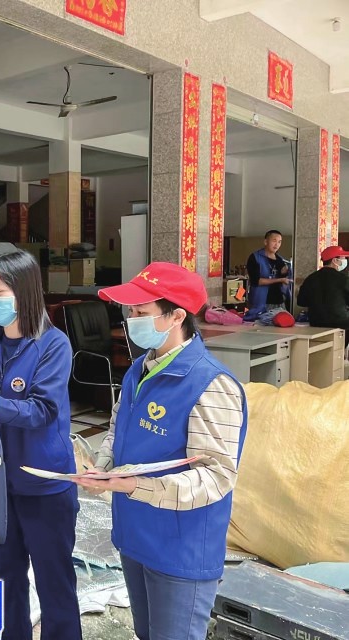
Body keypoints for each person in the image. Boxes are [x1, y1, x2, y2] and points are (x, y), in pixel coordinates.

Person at [73, 262, 248, 640]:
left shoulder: (211, 385)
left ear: (177, 317)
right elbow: (118, 429)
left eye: (141, 312)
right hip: (135, 535)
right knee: (146, 632)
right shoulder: (139, 369)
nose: (130, 321)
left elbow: (216, 478)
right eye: (130, 312)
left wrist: (135, 486)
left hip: (179, 550)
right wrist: (103, 466)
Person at [0, 251, 82, 640]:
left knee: (54, 581)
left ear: (25, 291)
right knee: (4, 576)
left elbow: (43, 410)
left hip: (44, 482)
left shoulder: (53, 345)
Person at [297, 245, 349, 348]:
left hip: (316, 322)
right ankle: (343, 352)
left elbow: (301, 301)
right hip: (340, 321)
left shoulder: (310, 278)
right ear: (334, 260)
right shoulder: (343, 279)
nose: (345, 261)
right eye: (343, 258)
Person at [244, 229, 293, 320]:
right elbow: (256, 281)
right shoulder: (255, 257)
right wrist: (280, 279)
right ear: (266, 242)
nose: (277, 244)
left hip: (279, 301)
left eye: (279, 242)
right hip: (261, 302)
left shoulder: (280, 259)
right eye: (274, 241)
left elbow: (283, 280)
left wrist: (284, 273)